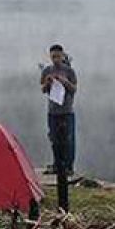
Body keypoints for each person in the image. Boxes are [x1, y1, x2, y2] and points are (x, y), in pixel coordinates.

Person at [40, 44, 77, 178]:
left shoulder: (69, 71)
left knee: (68, 139)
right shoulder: (47, 71)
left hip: (67, 111)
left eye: (58, 56)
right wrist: (48, 83)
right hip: (53, 111)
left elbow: (74, 89)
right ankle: (57, 164)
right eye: (53, 56)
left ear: (62, 56)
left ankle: (68, 166)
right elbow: (43, 89)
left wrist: (65, 82)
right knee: (54, 138)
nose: (55, 59)